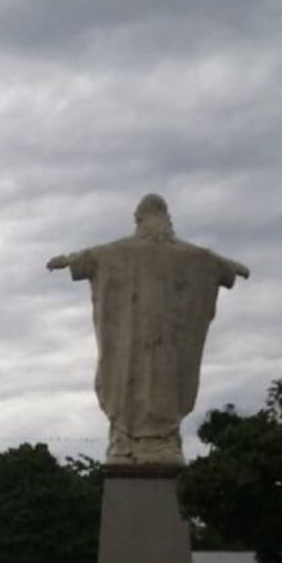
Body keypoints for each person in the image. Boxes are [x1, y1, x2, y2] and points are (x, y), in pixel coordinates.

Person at [47, 194, 248, 466]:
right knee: (127, 383)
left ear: (139, 219)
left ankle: (160, 442)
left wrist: (71, 259)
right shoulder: (128, 251)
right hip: (131, 339)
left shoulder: (174, 253)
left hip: (164, 337)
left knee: (160, 383)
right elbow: (209, 260)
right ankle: (125, 442)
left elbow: (206, 260)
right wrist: (228, 267)